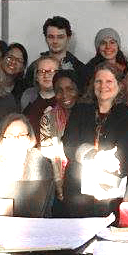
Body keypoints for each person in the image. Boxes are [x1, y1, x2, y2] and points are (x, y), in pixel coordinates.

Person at [60, 64, 128, 216]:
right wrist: (93, 155)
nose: (103, 86)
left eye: (109, 81)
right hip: (77, 188)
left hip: (112, 188)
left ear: (119, 85)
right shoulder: (80, 109)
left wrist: (105, 160)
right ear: (93, 85)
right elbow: (68, 143)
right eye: (98, 81)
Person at [38, 70, 81, 200]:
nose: (65, 95)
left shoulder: (89, 115)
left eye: (70, 89)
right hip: (58, 185)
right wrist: (59, 185)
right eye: (59, 90)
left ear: (78, 90)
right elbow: (49, 155)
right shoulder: (48, 118)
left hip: (85, 183)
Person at [24, 16, 89, 89]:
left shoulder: (80, 69)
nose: (55, 41)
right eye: (51, 37)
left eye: (60, 37)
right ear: (46, 38)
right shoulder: (34, 67)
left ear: (68, 38)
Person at [20, 55, 60, 134]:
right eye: (42, 71)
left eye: (51, 71)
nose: (46, 75)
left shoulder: (65, 99)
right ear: (36, 76)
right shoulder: (28, 97)